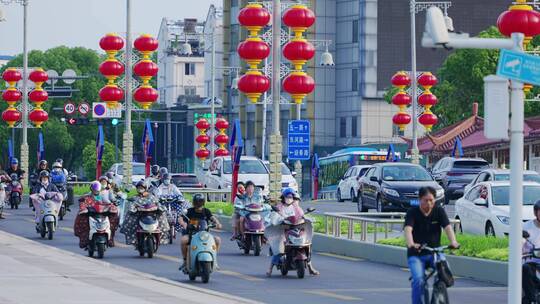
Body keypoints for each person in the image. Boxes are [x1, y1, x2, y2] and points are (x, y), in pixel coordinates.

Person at [404, 186, 459, 304]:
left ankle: (439, 293)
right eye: (425, 200)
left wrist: (453, 241)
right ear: (419, 199)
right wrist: (411, 244)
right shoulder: (412, 212)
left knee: (445, 272)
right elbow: (408, 230)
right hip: (416, 255)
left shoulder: (439, 211)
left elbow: (448, 227)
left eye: (431, 200)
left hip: (435, 252)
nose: (429, 203)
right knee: (418, 280)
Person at [266, 188, 318, 276]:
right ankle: (270, 268)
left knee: (306, 244)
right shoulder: (280, 207)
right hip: (283, 230)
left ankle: (310, 267)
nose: (289, 198)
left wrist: (308, 218)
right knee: (279, 248)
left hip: (296, 228)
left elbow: (302, 215)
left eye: (291, 197)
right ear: (284, 197)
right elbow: (275, 217)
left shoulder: (296, 207)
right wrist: (280, 219)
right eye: (287, 196)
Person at [179, 193, 221, 271]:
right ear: (194, 202)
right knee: (183, 240)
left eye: (200, 201)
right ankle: (185, 261)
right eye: (197, 202)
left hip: (204, 235)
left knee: (217, 240)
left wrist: (217, 223)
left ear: (203, 202)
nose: (198, 204)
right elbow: (181, 218)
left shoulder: (206, 211)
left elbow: (212, 218)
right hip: (192, 234)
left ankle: (214, 260)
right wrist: (183, 223)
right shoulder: (190, 211)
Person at [120, 180, 170, 245]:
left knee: (162, 216)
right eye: (138, 188)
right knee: (129, 217)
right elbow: (132, 206)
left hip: (152, 214)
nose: (140, 189)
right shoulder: (135, 197)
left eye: (142, 188)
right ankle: (133, 239)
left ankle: (162, 238)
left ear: (145, 189)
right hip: (139, 214)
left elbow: (157, 203)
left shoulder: (151, 196)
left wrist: (159, 208)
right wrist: (133, 209)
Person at [74, 181, 119, 248]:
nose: (96, 190)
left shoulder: (102, 196)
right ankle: (85, 240)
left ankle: (110, 240)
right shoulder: (87, 196)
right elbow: (82, 203)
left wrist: (112, 206)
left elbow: (108, 203)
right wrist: (84, 209)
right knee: (81, 219)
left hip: (102, 214)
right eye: (94, 189)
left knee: (114, 218)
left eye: (97, 188)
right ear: (91, 189)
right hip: (91, 215)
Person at [523, 200, 540, 303]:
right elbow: (520, 243)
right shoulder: (526, 226)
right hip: (532, 261)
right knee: (525, 269)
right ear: (535, 212)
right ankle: (531, 299)